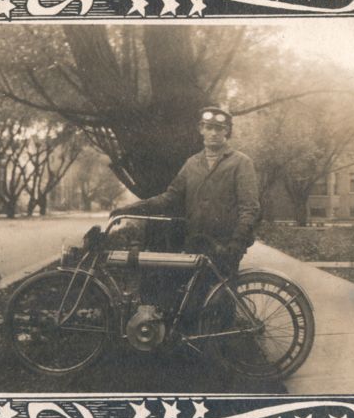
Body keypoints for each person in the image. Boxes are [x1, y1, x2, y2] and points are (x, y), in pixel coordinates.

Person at [111, 105, 260, 293]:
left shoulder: (240, 162)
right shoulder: (192, 163)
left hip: (225, 246)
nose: (214, 133)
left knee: (222, 301)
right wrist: (132, 208)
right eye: (209, 127)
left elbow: (250, 207)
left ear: (227, 131)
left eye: (219, 128)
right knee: (192, 301)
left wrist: (237, 242)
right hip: (195, 243)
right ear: (201, 129)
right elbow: (170, 197)